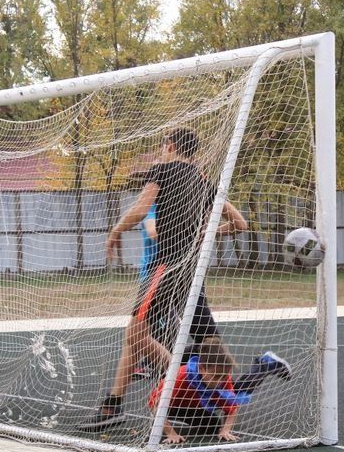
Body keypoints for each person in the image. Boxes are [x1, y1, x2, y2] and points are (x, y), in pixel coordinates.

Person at [78, 128, 247, 431]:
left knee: (136, 335)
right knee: (209, 342)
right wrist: (206, 235)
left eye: (163, 145)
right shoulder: (204, 182)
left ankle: (182, 387)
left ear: (170, 145)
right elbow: (239, 224)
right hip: (191, 273)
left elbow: (141, 209)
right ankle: (118, 405)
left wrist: (115, 231)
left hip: (165, 268)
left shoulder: (162, 170)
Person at [149, 336, 291, 444]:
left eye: (224, 376)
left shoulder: (223, 380)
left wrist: (226, 430)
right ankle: (264, 365)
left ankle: (264, 365)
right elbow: (155, 405)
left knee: (214, 426)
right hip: (173, 405)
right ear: (202, 368)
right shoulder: (180, 379)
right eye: (216, 376)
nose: (221, 380)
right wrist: (171, 433)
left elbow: (232, 407)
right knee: (240, 389)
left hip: (194, 404)